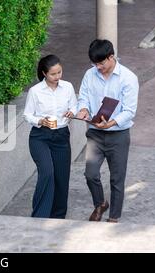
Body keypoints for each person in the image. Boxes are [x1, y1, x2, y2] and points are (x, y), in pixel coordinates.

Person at [76, 39, 139, 223]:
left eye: (101, 63)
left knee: (117, 179)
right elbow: (84, 97)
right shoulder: (90, 74)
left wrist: (111, 123)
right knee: (90, 174)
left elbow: (129, 111)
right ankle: (100, 203)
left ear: (111, 57)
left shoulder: (128, 78)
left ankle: (113, 218)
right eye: (95, 63)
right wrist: (83, 109)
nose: (98, 67)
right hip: (95, 133)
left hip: (118, 135)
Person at [23, 54, 77, 219]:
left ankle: (58, 217)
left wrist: (72, 112)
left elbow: (75, 105)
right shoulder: (35, 91)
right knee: (46, 172)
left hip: (61, 135)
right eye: (53, 74)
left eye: (59, 72)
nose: (57, 77)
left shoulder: (67, 87)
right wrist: (40, 120)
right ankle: (39, 216)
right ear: (44, 73)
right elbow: (27, 115)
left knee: (62, 177)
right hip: (40, 137)